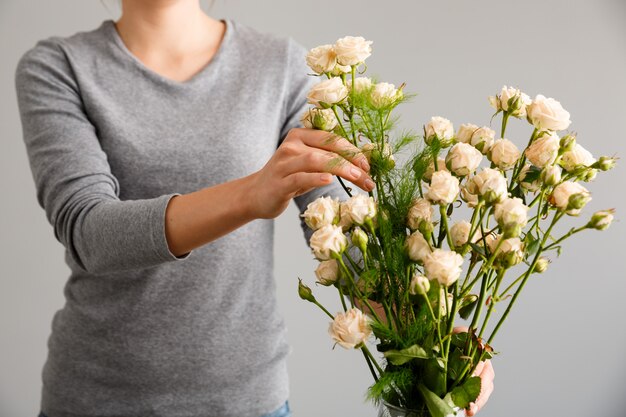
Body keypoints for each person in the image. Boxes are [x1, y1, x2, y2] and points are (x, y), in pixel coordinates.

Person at [14, 1, 492, 416]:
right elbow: (89, 233)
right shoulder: (58, 66)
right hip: (98, 398)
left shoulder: (280, 64)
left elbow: (343, 242)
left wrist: (440, 344)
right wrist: (251, 194)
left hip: (249, 400)